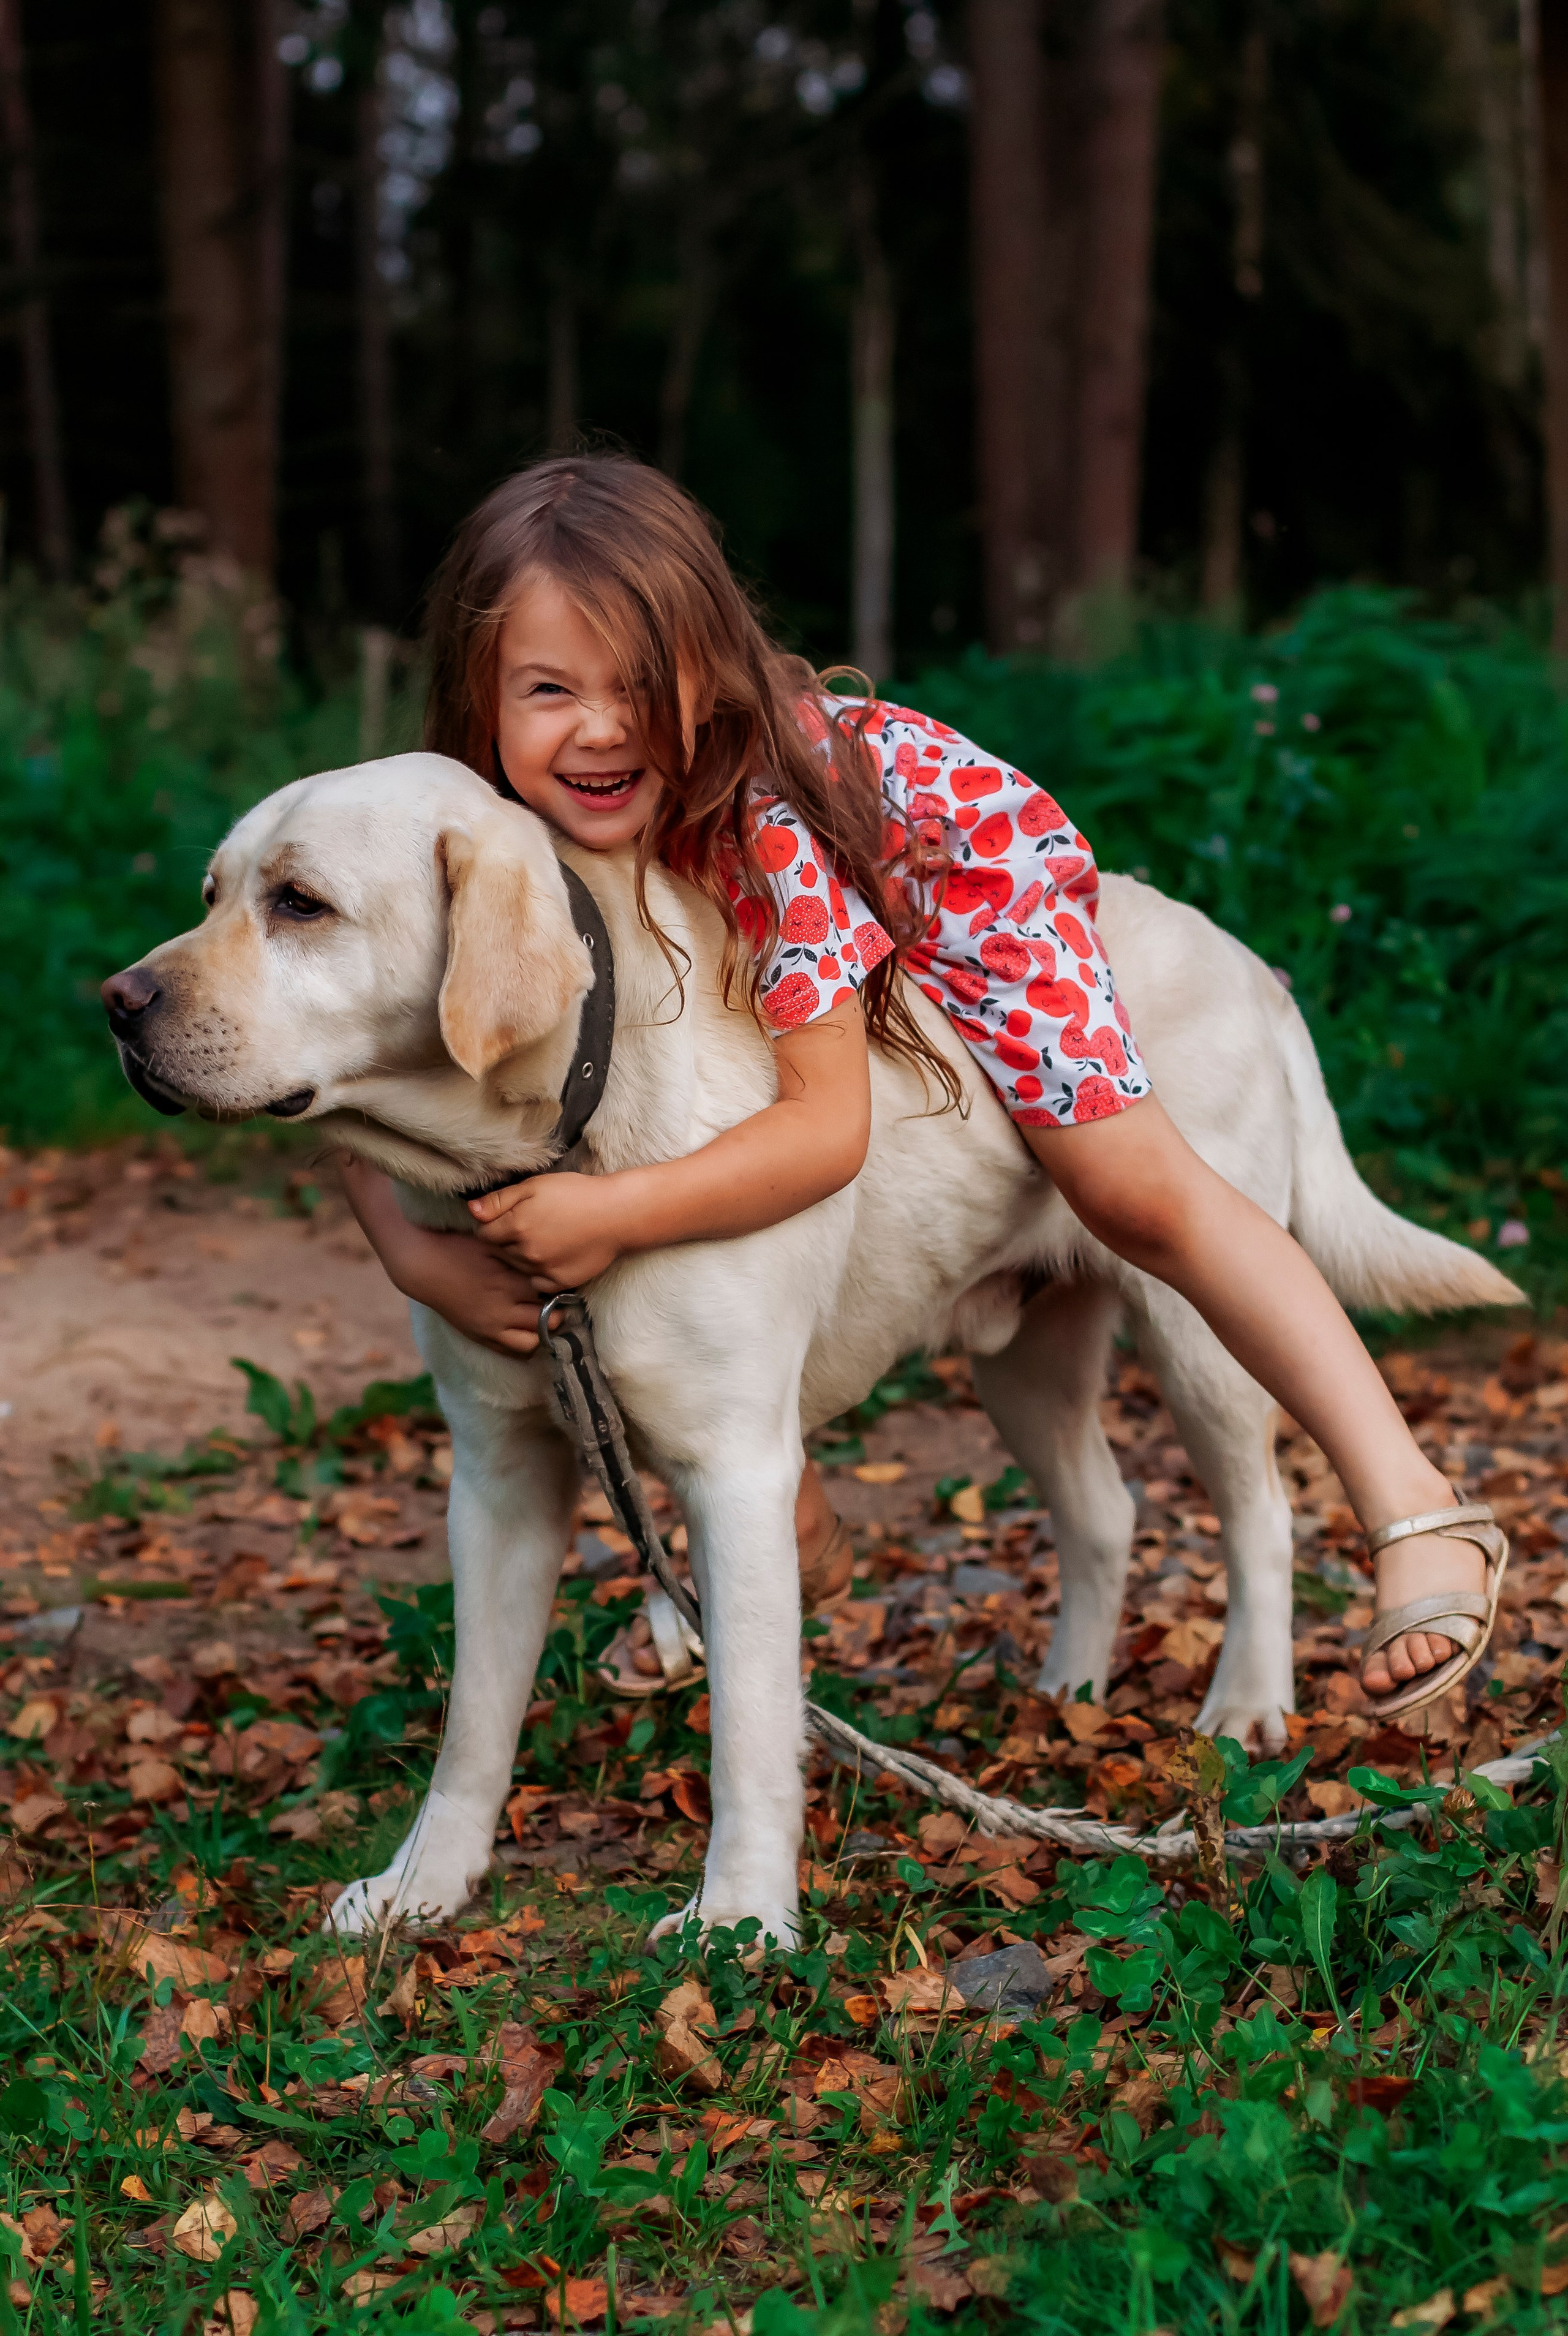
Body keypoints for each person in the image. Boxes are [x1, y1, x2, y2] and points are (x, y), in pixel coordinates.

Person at [340, 453, 1504, 1724]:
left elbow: (824, 1133)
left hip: (951, 875)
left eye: (639, 681)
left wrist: (613, 1217)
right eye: (549, 688)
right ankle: (784, 1509)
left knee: (1130, 1188)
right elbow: (348, 1054)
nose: (602, 725)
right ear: (477, 699)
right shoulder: (454, 828)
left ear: (710, 668)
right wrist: (409, 1251)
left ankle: (1417, 1509)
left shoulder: (761, 836)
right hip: (769, 899)